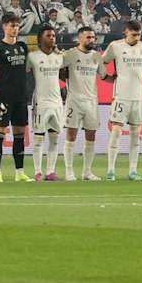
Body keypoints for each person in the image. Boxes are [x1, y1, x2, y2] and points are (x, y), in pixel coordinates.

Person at [101, 20, 142, 180]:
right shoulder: (115, 46)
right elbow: (102, 61)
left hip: (138, 97)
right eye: (134, 34)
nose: (137, 38)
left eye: (139, 35)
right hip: (121, 96)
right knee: (116, 133)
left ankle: (133, 171)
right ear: (126, 32)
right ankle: (110, 171)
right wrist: (105, 76)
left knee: (135, 136)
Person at [0, 12, 32, 182]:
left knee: (20, 134)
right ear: (4, 27)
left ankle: (19, 172)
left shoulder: (22, 46)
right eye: (12, 26)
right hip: (4, 98)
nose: (15, 29)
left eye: (17, 26)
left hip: (20, 97)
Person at [61, 27, 104, 181]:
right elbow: (58, 70)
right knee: (71, 135)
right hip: (74, 100)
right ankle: (69, 172)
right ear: (79, 38)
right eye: (88, 37)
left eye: (93, 37)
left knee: (91, 136)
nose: (91, 40)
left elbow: (104, 76)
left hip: (92, 101)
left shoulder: (97, 57)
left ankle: (87, 172)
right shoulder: (70, 54)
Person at [27, 27, 66, 180]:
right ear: (40, 39)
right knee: (38, 138)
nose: (52, 38)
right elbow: (24, 75)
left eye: (54, 35)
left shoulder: (59, 57)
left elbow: (64, 75)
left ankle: (50, 171)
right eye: (48, 35)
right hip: (40, 102)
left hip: (57, 102)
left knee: (54, 138)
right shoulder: (33, 57)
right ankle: (38, 172)